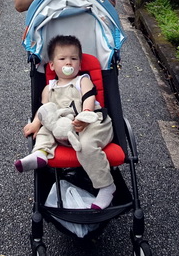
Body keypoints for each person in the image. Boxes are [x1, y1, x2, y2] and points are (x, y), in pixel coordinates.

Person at [14, 34, 117, 210]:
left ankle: (106, 186)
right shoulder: (49, 88)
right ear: (52, 65)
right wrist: (37, 123)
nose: (69, 63)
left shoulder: (82, 80)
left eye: (73, 58)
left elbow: (89, 98)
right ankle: (41, 154)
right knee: (47, 125)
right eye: (62, 59)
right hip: (63, 126)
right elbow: (45, 110)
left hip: (91, 123)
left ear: (80, 63)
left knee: (86, 144)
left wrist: (85, 115)